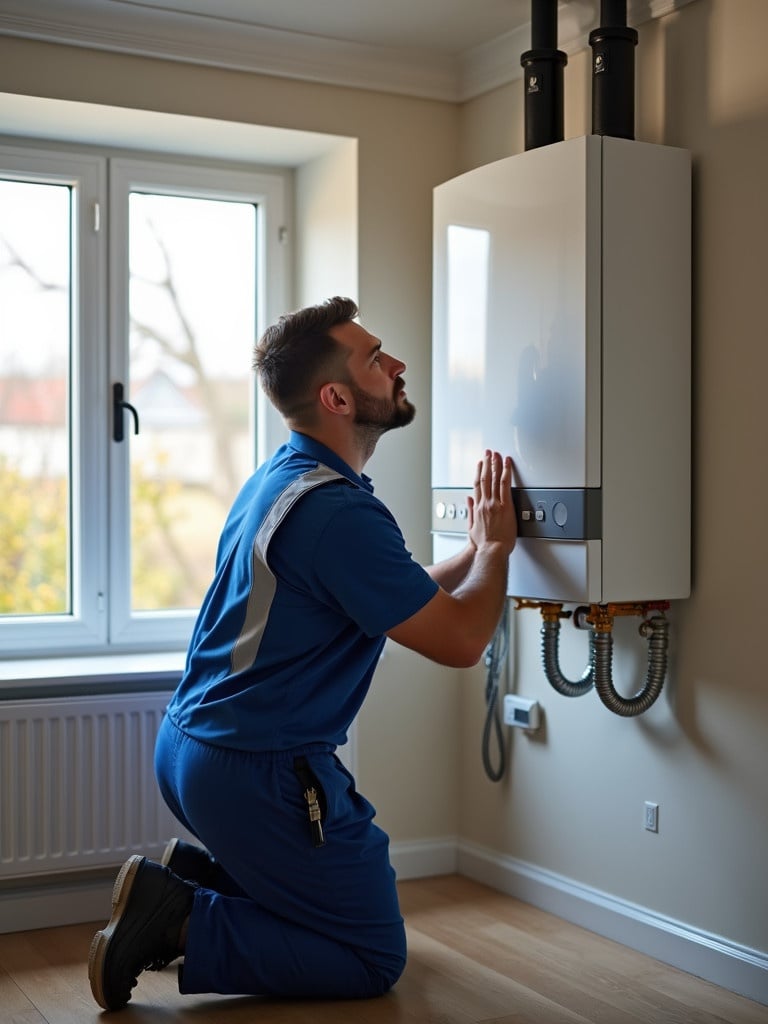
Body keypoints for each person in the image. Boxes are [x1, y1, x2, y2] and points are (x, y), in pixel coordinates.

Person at [88, 296, 517, 1011]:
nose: (399, 364)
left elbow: (402, 599)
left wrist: (474, 553)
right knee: (370, 954)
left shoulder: (286, 478)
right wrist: (500, 549)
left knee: (350, 892)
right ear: (338, 396)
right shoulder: (339, 514)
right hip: (256, 770)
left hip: (195, 747)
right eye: (377, 357)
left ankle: (190, 884)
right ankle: (182, 915)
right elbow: (463, 640)